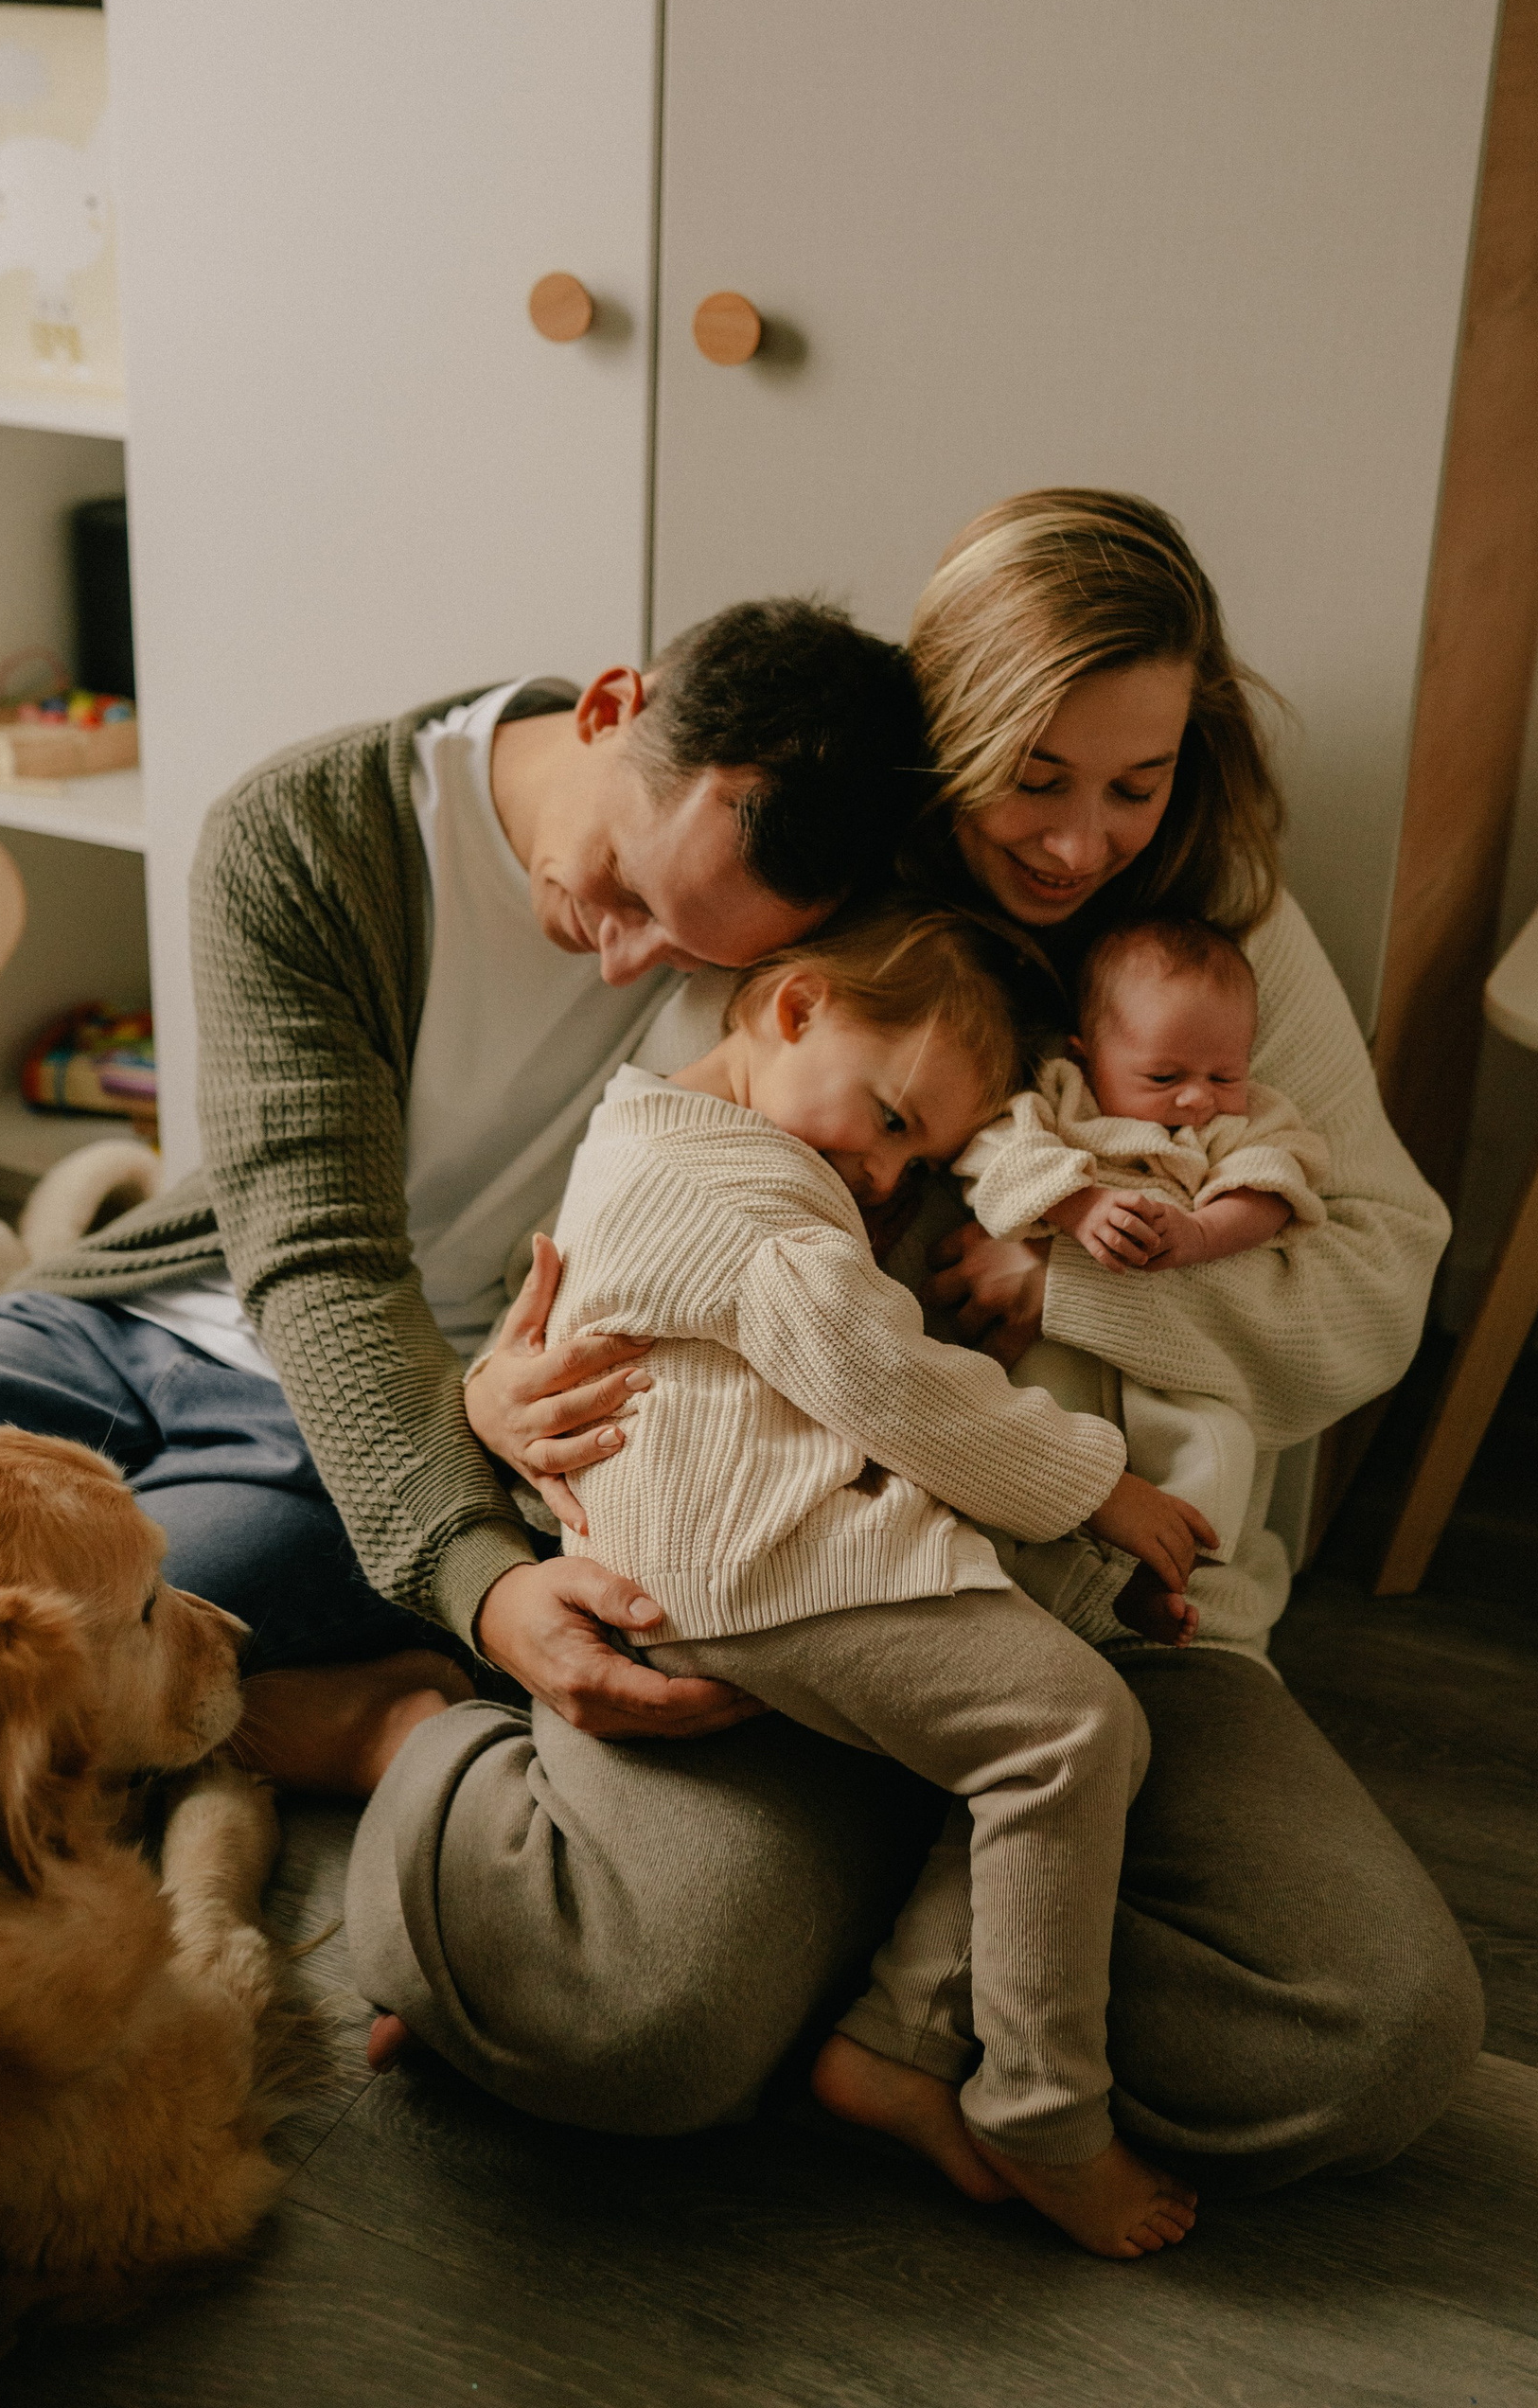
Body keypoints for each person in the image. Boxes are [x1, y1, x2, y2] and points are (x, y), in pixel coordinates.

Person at [347, 487, 1482, 2194]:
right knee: (633, 2028)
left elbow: (1382, 1294)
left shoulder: (1217, 957)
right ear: (949, 736)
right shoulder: (812, 920)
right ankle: (474, 1772)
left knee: (1367, 2037)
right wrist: (498, 1399)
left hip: (1107, 1616)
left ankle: (899, 1938)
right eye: (1035, 775)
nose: (1080, 845)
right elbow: (625, 1226)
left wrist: (1068, 1291)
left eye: (1138, 784)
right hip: (803, 1584)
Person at [0, 602, 927, 1791]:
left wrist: (476, 1572)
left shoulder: (806, 961)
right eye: (627, 889)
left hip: (352, 1418)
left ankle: (312, 1716)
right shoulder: (304, 832)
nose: (624, 961)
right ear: (609, 708)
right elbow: (318, 1254)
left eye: (696, 957)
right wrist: (487, 1596)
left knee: (71, 1677)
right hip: (134, 1308)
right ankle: (310, 1725)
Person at [542, 903, 1204, 2257]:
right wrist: (1103, 1486)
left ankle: (902, 2044)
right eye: (891, 1118)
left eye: (919, 1155)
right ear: (796, 1009)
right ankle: (1044, 2112)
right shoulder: (737, 1199)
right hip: (746, 1558)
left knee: (1075, 1718)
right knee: (1071, 1732)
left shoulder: (662, 1136)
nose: (887, 1171)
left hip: (736, 1540)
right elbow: (887, 1381)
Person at [950, 908, 1330, 1575]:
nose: (1197, 1100)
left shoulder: (1240, 1125)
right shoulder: (1061, 1098)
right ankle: (1002, 1572)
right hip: (1053, 1351)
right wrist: (1078, 1205)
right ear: (1085, 1056)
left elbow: (1275, 1186)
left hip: (1170, 1367)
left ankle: (1167, 1576)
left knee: (1221, 1446)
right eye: (1163, 1078)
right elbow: (995, 1152)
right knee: (1015, 1446)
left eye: (1224, 1076)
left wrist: (1203, 1232)